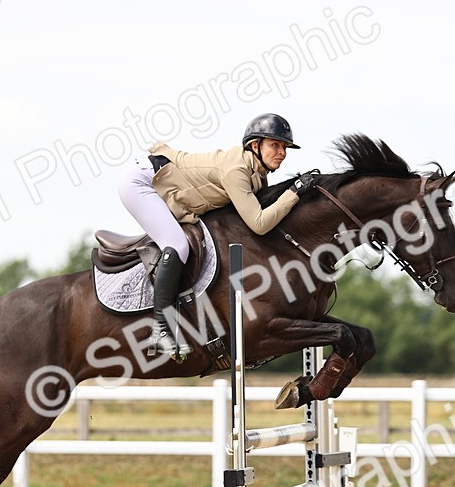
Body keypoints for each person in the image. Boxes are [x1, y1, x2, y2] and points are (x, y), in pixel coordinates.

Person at [118, 113, 320, 356]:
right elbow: (259, 223)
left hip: (157, 178)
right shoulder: (236, 171)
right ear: (255, 146)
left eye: (285, 147)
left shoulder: (257, 173)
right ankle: (161, 329)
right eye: (275, 145)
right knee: (177, 244)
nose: (282, 153)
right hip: (141, 182)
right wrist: (294, 192)